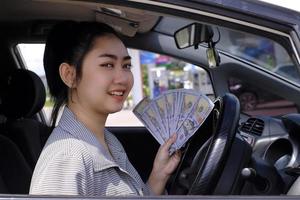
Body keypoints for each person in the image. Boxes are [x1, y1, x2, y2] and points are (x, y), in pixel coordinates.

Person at [29, 21, 181, 196]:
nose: (123, 78)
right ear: (69, 75)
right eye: (107, 65)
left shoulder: (106, 140)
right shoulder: (67, 158)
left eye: (126, 66)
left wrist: (159, 175)